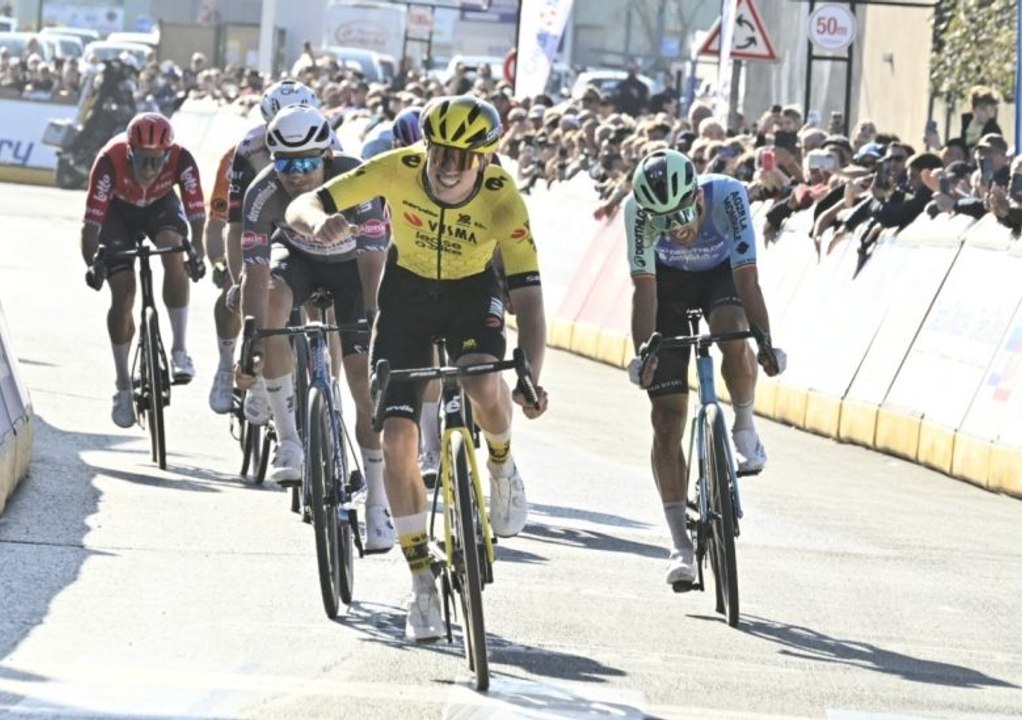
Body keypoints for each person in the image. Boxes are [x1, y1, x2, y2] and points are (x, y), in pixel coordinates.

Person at [285, 95, 549, 642]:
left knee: (481, 379)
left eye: (462, 157)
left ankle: (501, 466)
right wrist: (319, 222)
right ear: (423, 147)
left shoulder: (504, 199)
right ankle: (422, 582)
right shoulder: (398, 168)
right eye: (439, 153)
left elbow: (528, 293)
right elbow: (307, 202)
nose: (447, 167)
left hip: (472, 294)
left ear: (485, 160)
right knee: (399, 439)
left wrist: (530, 375)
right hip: (405, 297)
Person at [234, 105, 395, 551]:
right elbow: (255, 269)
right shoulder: (262, 193)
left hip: (354, 271)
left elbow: (373, 262)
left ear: (327, 155)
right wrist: (251, 339)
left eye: (307, 162)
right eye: (286, 163)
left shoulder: (356, 179)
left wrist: (370, 321)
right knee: (270, 303)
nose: (297, 174)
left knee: (362, 379)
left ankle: (378, 502)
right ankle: (289, 440)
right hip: (300, 263)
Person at [624, 149, 786, 588]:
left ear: (698, 195)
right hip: (666, 289)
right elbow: (644, 293)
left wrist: (765, 340)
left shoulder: (729, 196)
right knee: (666, 418)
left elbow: (748, 281)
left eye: (683, 214)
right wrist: (645, 354)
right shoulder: (636, 212)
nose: (677, 230)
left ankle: (745, 427)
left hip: (720, 278)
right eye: (664, 220)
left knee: (733, 330)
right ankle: (679, 543)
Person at [207, 79, 326, 415]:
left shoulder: (330, 142)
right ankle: (230, 363)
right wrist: (237, 276)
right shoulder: (244, 150)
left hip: (306, 221)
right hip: (260, 219)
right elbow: (230, 225)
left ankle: (323, 381)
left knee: (323, 301)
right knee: (242, 287)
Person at [80, 112, 207, 427]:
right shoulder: (108, 161)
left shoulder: (182, 159)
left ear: (168, 153)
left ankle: (179, 349)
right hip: (117, 215)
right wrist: (93, 264)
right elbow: (91, 225)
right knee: (123, 293)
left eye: (157, 161)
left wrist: (199, 253)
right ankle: (123, 384)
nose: (150, 169)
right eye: (142, 161)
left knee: (174, 250)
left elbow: (196, 215)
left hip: (160, 208)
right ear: (129, 152)